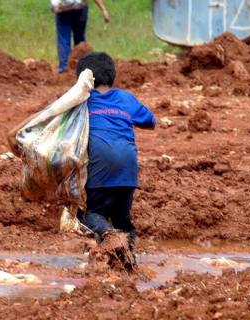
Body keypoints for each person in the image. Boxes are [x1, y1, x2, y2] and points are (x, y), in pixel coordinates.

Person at [75, 52, 156, 265]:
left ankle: (110, 236)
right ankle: (129, 263)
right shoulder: (125, 98)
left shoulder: (81, 100)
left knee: (91, 214)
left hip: (99, 168)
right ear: (112, 77)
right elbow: (150, 121)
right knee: (123, 220)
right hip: (128, 171)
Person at [51, 0, 109, 73]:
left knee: (63, 40)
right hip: (79, 8)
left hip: (63, 8)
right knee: (79, 40)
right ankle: (82, 68)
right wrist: (103, 9)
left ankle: (64, 68)